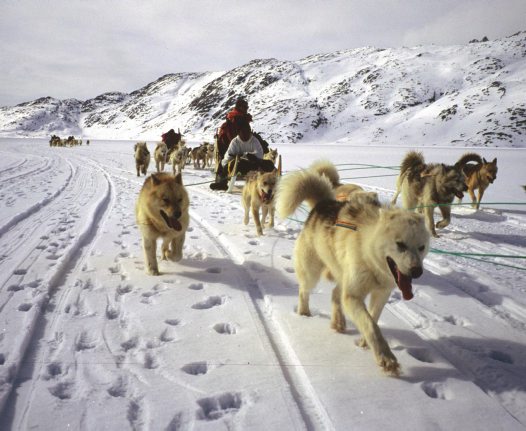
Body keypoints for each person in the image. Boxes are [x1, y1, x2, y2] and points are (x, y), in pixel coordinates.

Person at [210, 119, 275, 190]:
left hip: (253, 165)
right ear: (239, 133)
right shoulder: (235, 142)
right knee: (226, 166)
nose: (245, 134)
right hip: (238, 166)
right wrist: (239, 157)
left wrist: (250, 156)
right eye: (243, 132)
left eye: (247, 132)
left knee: (269, 163)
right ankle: (222, 184)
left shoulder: (254, 140)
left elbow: (259, 155)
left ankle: (273, 181)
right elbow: (228, 157)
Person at [213, 98, 253, 181]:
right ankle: (222, 178)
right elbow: (236, 136)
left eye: (247, 107)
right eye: (245, 107)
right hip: (231, 146)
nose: (246, 109)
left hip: (232, 145)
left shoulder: (236, 118)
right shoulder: (237, 119)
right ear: (240, 107)